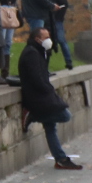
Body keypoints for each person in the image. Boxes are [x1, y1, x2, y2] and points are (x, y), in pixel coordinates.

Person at [19, 23, 82, 170]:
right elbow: (37, 79)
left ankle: (60, 159)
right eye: (46, 37)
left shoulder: (39, 52)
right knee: (65, 115)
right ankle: (33, 115)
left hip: (41, 94)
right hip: (38, 97)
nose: (49, 40)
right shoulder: (31, 53)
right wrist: (49, 90)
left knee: (50, 126)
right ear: (37, 39)